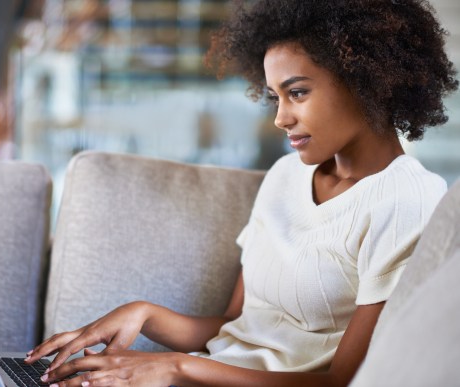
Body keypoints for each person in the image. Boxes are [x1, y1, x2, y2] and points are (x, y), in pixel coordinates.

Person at [25, 0, 458, 386]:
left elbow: (344, 381)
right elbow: (237, 325)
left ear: (366, 80)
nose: (281, 118)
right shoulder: (286, 175)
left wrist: (176, 367)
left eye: (298, 93)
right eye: (275, 97)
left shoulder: (406, 200)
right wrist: (144, 314)